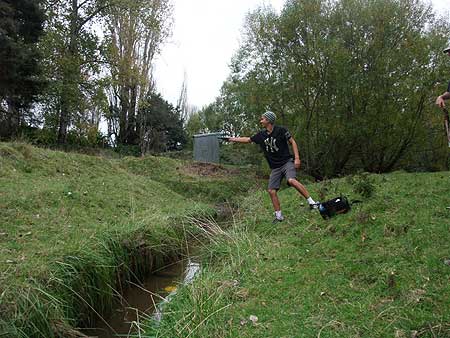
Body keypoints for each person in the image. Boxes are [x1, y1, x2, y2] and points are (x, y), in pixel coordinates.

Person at [224, 111, 318, 223]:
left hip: (287, 162)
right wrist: (230, 139)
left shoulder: (281, 130)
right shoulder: (261, 135)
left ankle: (312, 202)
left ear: (268, 120)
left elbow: (293, 142)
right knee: (271, 191)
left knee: (291, 180)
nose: (261, 121)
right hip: (275, 167)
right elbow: (247, 139)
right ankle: (279, 216)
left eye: (262, 119)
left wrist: (297, 158)